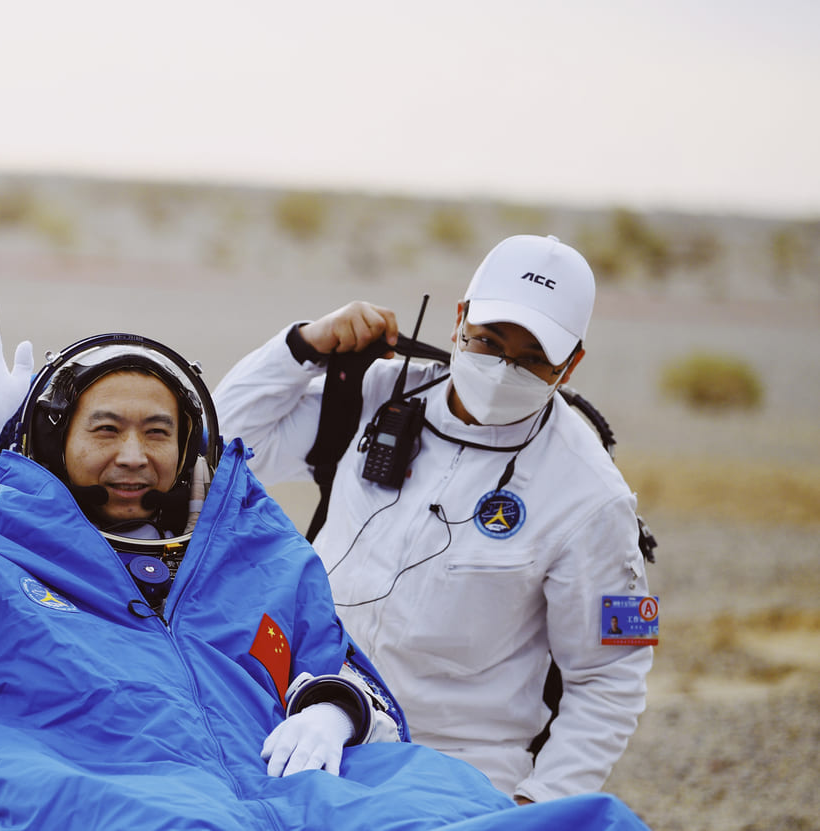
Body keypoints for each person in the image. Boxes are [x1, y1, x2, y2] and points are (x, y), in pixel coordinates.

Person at [0, 288, 652, 830]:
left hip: (290, 785)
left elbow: (331, 658)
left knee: (571, 822)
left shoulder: (244, 547)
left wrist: (334, 705)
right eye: (105, 429)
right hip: (100, 779)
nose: (133, 455)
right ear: (57, 434)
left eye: (158, 432)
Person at [213, 234, 654, 804]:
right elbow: (215, 442)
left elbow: (610, 679)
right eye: (489, 342)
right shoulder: (371, 398)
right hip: (302, 718)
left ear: (571, 364)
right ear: (458, 321)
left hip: (454, 771)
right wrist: (302, 346)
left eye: (532, 359)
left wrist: (536, 805)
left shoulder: (593, 497)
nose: (501, 371)